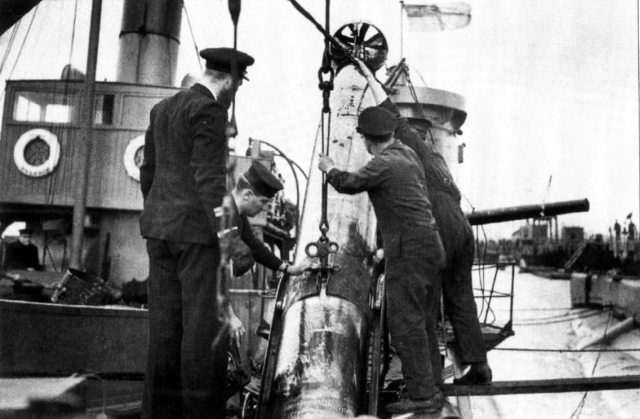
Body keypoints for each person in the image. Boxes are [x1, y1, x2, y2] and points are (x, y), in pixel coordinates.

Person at [356, 59, 491, 385]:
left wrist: (387, 251)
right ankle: (478, 367)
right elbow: (388, 105)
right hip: (461, 228)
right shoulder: (433, 156)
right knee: (461, 296)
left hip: (437, 227)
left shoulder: (399, 156)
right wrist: (370, 76)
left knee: (421, 302)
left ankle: (423, 378)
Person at [139, 47, 254, 419]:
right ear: (229, 81)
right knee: (203, 338)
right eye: (236, 86)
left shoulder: (162, 109)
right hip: (194, 239)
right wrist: (234, 244)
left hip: (159, 234)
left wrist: (162, 214)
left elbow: (148, 172)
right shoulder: (210, 111)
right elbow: (210, 183)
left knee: (164, 335)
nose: (234, 93)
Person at [318, 106, 445, 415]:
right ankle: (430, 388)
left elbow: (348, 184)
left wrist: (329, 167)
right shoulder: (407, 155)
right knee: (423, 322)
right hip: (429, 246)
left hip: (410, 251)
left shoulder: (384, 163)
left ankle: (423, 398)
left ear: (367, 140)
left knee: (404, 322)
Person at [227, 160, 311, 279]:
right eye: (263, 201)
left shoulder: (237, 215)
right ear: (247, 195)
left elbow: (255, 247)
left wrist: (290, 269)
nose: (265, 209)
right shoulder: (222, 214)